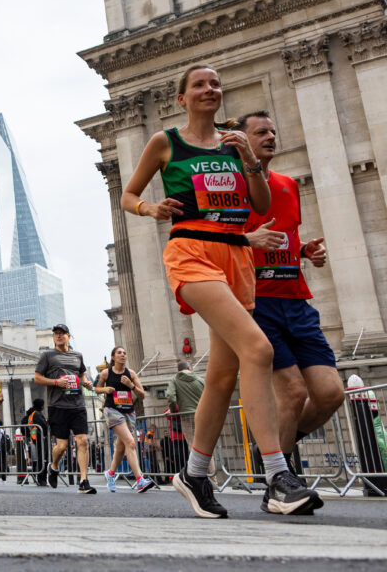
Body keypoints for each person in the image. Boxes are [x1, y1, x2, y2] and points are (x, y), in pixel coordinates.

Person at [120, 63, 319, 517]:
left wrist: (249, 160)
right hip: (191, 252)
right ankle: (277, 475)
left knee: (222, 377)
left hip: (237, 257)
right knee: (259, 348)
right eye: (199, 85)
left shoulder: (236, 143)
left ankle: (193, 472)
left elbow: (261, 204)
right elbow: (128, 195)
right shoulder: (165, 142)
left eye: (215, 83)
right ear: (182, 98)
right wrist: (152, 208)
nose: (210, 89)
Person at [239, 112, 345, 488]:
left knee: (331, 393)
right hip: (259, 303)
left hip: (297, 300)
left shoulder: (287, 184)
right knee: (293, 391)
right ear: (242, 141)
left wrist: (304, 250)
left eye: (272, 130)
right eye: (260, 132)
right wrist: (248, 240)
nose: (270, 136)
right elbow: (216, 240)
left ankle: (275, 452)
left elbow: (283, 237)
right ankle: (279, 480)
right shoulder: (233, 186)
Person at [34, 324, 96, 494]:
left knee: (82, 440)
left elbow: (81, 374)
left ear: (69, 336)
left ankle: (83, 480)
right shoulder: (47, 356)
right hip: (58, 405)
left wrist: (85, 382)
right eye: (56, 334)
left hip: (77, 404)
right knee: (61, 446)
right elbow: (37, 378)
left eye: (62, 334)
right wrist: (55, 382)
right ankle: (53, 467)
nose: (59, 336)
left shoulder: (77, 355)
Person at [97, 346, 155, 493]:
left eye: (124, 353)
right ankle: (140, 480)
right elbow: (96, 388)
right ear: (113, 357)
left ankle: (110, 474)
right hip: (112, 410)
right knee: (130, 442)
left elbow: (142, 395)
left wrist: (131, 385)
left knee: (121, 447)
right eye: (119, 353)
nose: (123, 355)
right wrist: (105, 390)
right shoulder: (106, 373)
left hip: (128, 411)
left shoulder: (131, 373)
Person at [165, 360, 205, 450]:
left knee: (192, 445)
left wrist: (173, 411)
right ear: (190, 368)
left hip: (186, 417)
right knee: (205, 447)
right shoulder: (200, 380)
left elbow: (171, 397)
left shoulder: (174, 380)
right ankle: (210, 465)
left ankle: (196, 464)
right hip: (202, 415)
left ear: (178, 370)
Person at [24, 399, 48, 485]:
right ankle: (42, 479)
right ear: (41, 405)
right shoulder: (37, 414)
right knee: (43, 458)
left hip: (36, 438)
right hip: (40, 437)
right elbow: (44, 426)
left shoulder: (33, 413)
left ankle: (41, 478)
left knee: (42, 457)